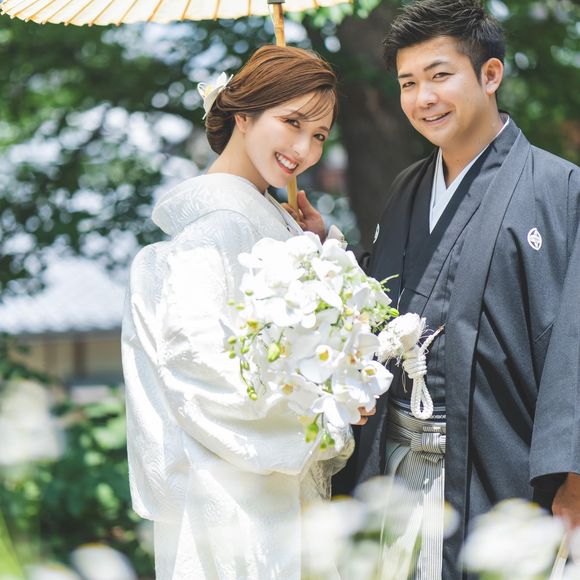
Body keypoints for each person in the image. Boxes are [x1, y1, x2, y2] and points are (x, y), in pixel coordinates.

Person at [345, 1, 580, 578]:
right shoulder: (407, 188)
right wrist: (324, 248)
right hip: (395, 459)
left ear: (490, 74)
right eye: (408, 83)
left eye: (439, 75)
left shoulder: (560, 189)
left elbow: (575, 346)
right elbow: (381, 299)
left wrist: (573, 480)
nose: (423, 98)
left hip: (502, 461)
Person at [121, 45, 357, 580]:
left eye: (319, 135)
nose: (304, 149)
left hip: (276, 482)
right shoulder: (215, 230)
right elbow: (200, 369)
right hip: (235, 498)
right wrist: (323, 415)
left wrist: (319, 247)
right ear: (243, 114)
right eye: (292, 122)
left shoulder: (268, 223)